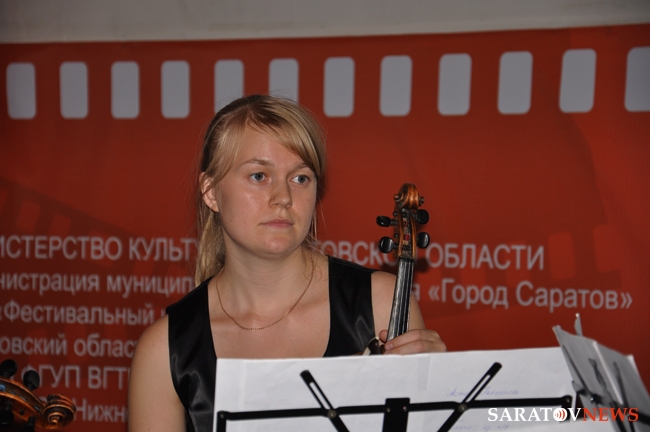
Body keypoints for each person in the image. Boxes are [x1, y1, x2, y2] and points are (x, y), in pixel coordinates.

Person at [127, 94, 446, 432]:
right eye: (258, 176)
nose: (283, 198)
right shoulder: (164, 350)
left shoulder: (380, 303)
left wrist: (439, 391)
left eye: (300, 178)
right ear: (210, 191)